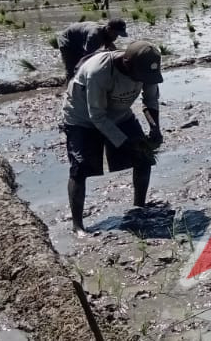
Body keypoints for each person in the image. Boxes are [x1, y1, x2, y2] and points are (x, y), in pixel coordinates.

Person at [61, 41, 164, 237]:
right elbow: (97, 116)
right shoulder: (98, 71)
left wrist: (155, 128)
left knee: (143, 158)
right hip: (82, 118)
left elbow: (150, 100)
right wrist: (125, 143)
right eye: (139, 76)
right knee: (80, 168)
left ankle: (139, 207)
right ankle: (78, 225)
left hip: (120, 114)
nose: (142, 80)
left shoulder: (147, 67)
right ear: (126, 63)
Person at [58, 19, 129, 80]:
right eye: (115, 34)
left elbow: (113, 49)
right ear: (109, 29)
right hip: (67, 41)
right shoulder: (94, 35)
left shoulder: (108, 34)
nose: (116, 37)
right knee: (72, 69)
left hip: (79, 40)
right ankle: (69, 91)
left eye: (118, 35)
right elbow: (87, 58)